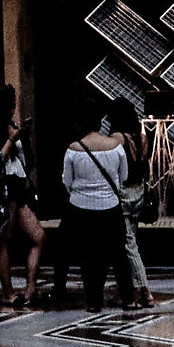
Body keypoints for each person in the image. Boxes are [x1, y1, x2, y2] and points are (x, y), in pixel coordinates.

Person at [59, 102, 131, 312]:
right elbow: (123, 176)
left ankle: (93, 300)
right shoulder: (115, 147)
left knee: (89, 256)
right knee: (118, 253)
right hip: (110, 205)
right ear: (100, 122)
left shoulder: (73, 149)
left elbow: (67, 181)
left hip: (81, 207)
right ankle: (128, 297)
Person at [0, 84, 43, 309]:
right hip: (2, 189)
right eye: (8, 105)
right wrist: (10, 140)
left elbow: (28, 161)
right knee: (3, 241)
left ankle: (30, 287)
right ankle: (8, 292)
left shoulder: (12, 126)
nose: (12, 109)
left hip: (19, 186)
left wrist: (23, 138)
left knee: (38, 236)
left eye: (13, 104)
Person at [105, 99, 154, 308]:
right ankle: (126, 289)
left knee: (128, 245)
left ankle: (144, 290)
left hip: (123, 193)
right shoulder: (142, 137)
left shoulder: (117, 139)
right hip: (139, 192)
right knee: (131, 242)